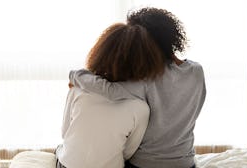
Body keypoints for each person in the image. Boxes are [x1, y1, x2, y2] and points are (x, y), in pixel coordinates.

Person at [70, 7, 206, 168]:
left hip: (145, 164)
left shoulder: (147, 78)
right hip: (186, 163)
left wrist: (75, 75)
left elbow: (110, 90)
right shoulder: (197, 71)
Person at [55, 23, 166, 168]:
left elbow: (65, 133)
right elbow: (128, 152)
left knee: (60, 149)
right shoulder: (141, 108)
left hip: (68, 164)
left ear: (101, 52)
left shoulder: (78, 89)